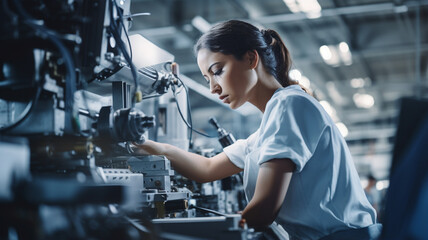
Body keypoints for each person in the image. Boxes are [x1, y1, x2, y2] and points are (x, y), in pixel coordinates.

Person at [134, 20, 381, 240]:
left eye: (217, 71)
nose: (213, 88)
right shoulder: (267, 128)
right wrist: (141, 144)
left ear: (252, 59)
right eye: (207, 79)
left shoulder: (290, 105)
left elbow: (264, 209)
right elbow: (206, 169)